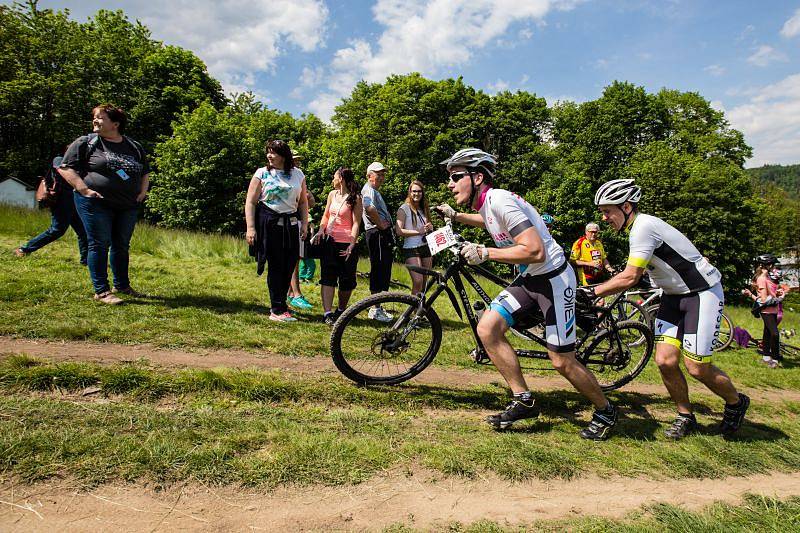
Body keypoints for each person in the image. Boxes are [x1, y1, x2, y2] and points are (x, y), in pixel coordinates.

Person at [436, 148, 618, 440]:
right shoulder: (487, 203)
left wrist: (485, 252)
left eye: (457, 177)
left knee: (562, 361)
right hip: (531, 277)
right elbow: (490, 223)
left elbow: (535, 250)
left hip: (553, 280)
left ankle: (605, 410)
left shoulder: (501, 201)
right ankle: (524, 399)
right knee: (488, 327)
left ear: (478, 176)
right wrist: (456, 216)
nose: (450, 184)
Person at [584, 179, 750, 439]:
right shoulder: (637, 229)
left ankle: (735, 403)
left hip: (701, 295)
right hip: (673, 297)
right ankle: (686, 416)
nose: (604, 218)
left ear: (626, 206)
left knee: (697, 368)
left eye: (607, 211)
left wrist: (592, 292)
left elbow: (630, 276)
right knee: (665, 361)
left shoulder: (643, 228)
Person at [58, 104, 149, 305]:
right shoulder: (86, 142)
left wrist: (143, 192)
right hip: (95, 203)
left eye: (101, 117)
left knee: (121, 245)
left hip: (128, 205)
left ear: (115, 124)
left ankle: (122, 285)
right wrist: (84, 190)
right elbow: (65, 168)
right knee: (99, 243)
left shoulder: (134, 146)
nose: (95, 120)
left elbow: (144, 172)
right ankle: (102, 291)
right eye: (95, 117)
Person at [245, 140, 309, 323]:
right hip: (269, 224)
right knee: (275, 266)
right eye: (268, 152)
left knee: (289, 264)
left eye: (273, 152)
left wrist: (304, 224)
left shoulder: (298, 174)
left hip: (291, 224)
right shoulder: (262, 173)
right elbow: (250, 201)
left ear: (284, 155)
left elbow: (303, 202)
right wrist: (251, 228)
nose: (269, 155)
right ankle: (277, 309)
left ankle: (282, 304)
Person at [14, 153, 88, 264]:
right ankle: (23, 249)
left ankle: (85, 261)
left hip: (76, 200)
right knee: (57, 230)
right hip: (62, 200)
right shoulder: (59, 160)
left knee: (84, 232)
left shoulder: (81, 165)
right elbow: (62, 171)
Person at [313, 167, 363, 325]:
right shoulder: (332, 195)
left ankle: (341, 310)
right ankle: (327, 313)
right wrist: (321, 230)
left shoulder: (355, 198)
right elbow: (326, 215)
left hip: (346, 243)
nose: (332, 180)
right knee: (327, 277)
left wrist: (352, 244)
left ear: (341, 178)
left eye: (334, 177)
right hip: (329, 241)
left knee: (346, 280)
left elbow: (356, 223)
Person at [361, 161, 394, 322]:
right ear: (369, 176)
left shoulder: (374, 191)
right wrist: (381, 225)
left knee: (384, 269)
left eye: (382, 174)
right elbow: (369, 208)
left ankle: (379, 307)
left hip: (380, 234)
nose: (381, 177)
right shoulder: (368, 190)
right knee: (379, 269)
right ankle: (375, 309)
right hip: (376, 233)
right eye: (378, 174)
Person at [745, 254, 784, 368]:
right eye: (773, 265)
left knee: (767, 333)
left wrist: (778, 293)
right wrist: (780, 298)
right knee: (775, 334)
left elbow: (771, 294)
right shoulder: (762, 279)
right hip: (766, 310)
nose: (774, 268)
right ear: (769, 265)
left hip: (774, 309)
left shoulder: (768, 278)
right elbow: (763, 299)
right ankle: (775, 359)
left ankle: (766, 357)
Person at [396, 180, 433, 295]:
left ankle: (420, 309)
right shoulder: (404, 208)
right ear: (410, 193)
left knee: (425, 281)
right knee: (418, 281)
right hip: (411, 248)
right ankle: (412, 310)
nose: (417, 194)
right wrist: (418, 231)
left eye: (419, 191)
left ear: (423, 193)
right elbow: (399, 231)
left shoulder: (424, 208)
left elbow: (426, 228)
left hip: (425, 246)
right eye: (414, 191)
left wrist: (430, 227)